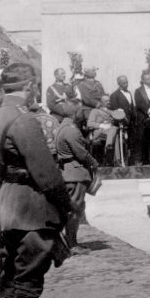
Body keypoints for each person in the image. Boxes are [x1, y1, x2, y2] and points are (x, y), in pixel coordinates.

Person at [0, 64, 73, 298]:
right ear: (29, 85)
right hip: (29, 213)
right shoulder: (23, 120)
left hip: (3, 209)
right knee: (25, 290)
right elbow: (47, 175)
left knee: (4, 288)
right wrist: (68, 206)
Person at [55, 102, 99, 253]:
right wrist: (94, 163)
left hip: (67, 172)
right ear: (74, 114)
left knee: (70, 209)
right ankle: (72, 244)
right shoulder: (72, 131)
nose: (83, 114)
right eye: (80, 112)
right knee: (75, 209)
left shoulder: (61, 127)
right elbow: (81, 153)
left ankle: (68, 242)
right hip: (75, 173)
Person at [109, 75, 139, 165]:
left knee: (132, 141)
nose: (126, 84)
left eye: (127, 82)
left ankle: (131, 161)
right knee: (122, 143)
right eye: (124, 83)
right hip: (122, 123)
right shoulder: (114, 95)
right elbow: (115, 110)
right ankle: (122, 161)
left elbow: (132, 106)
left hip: (131, 122)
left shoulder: (129, 93)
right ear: (119, 83)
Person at [87, 95, 124, 165]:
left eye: (109, 100)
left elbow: (122, 118)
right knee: (114, 130)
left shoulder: (112, 111)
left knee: (114, 130)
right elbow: (89, 124)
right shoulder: (95, 111)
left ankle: (109, 148)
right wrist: (102, 125)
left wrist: (121, 112)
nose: (108, 102)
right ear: (101, 102)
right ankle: (117, 160)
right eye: (106, 101)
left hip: (110, 133)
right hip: (99, 133)